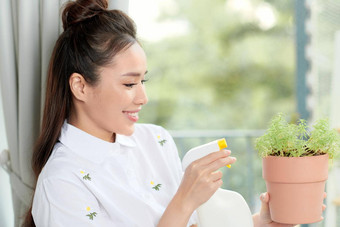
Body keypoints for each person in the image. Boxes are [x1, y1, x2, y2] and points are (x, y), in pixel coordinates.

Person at [22, 0, 322, 226]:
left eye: (143, 80)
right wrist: (185, 199)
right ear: (80, 86)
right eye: (129, 83)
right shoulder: (61, 183)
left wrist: (260, 223)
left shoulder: (155, 140)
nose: (143, 97)